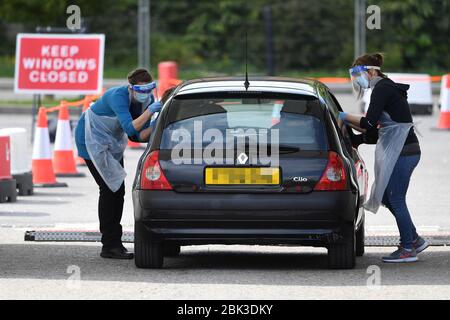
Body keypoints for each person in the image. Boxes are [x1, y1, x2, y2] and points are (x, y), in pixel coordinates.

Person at [339, 53, 428, 263]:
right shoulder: (385, 88)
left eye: (358, 75)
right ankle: (414, 239)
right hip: (405, 151)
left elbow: (369, 123)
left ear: (371, 71)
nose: (357, 80)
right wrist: (357, 139)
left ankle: (408, 249)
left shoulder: (382, 89)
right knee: (388, 197)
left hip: (404, 153)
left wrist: (343, 117)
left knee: (395, 198)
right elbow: (376, 131)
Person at [75, 68, 162, 259]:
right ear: (131, 88)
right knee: (109, 190)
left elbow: (137, 136)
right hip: (92, 139)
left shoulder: (147, 101)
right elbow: (130, 127)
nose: (145, 94)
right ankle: (109, 245)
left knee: (118, 190)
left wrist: (157, 126)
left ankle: (114, 242)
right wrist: (149, 113)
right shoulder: (118, 96)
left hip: (111, 142)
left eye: (148, 90)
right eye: (140, 90)